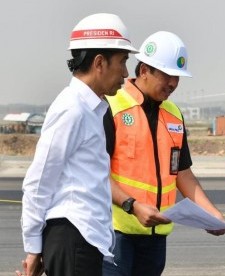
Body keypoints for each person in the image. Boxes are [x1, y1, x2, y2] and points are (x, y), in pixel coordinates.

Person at [16, 13, 138, 276]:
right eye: (123, 62)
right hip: (73, 239)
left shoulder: (93, 109)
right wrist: (34, 248)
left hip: (84, 241)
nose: (126, 74)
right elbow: (39, 180)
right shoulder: (72, 108)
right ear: (99, 63)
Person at [102, 31, 225, 276]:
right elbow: (96, 174)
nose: (173, 83)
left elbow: (183, 173)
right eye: (167, 75)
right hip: (115, 233)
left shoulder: (174, 114)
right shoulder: (111, 106)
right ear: (145, 70)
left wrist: (211, 214)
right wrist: (133, 206)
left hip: (155, 236)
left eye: (177, 77)